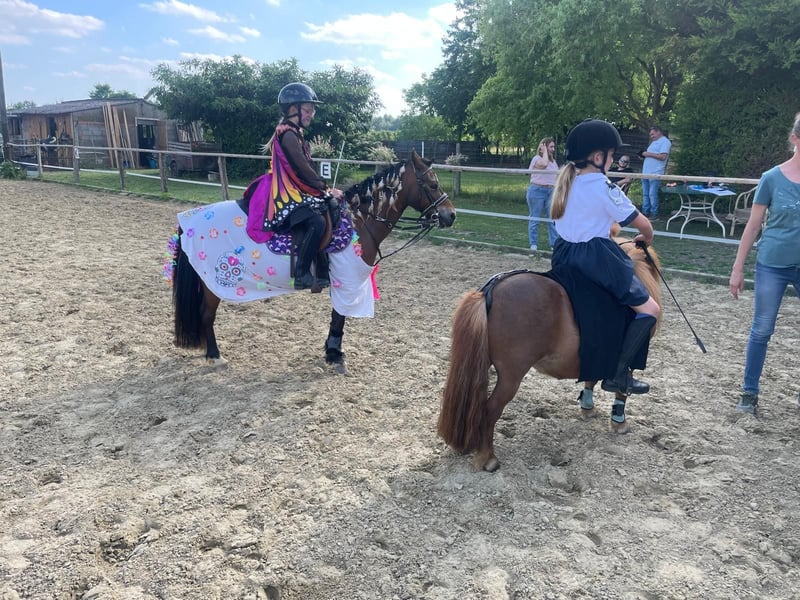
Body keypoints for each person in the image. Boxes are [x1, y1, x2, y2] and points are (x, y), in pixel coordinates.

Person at [550, 119, 661, 396]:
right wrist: (646, 238)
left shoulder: (566, 183)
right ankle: (618, 374)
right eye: (612, 155)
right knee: (650, 310)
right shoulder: (604, 187)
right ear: (598, 158)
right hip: (597, 259)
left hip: (563, 255)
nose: (613, 160)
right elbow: (643, 224)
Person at [729, 112, 800, 415]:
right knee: (762, 329)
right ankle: (749, 392)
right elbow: (753, 225)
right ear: (795, 139)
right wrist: (737, 268)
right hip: (773, 263)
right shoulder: (771, 178)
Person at [257, 82, 344, 291]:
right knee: (316, 221)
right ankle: (302, 273)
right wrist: (325, 189)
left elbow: (306, 167)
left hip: (296, 189)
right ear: (293, 109)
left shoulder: (295, 133)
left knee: (327, 208)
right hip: (286, 193)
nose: (311, 115)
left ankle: (322, 270)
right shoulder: (288, 135)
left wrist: (323, 191)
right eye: (307, 110)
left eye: (312, 110)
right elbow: (302, 169)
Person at [525, 137, 559, 251]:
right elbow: (544, 164)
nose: (553, 149)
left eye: (553, 147)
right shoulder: (537, 159)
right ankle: (533, 244)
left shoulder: (553, 162)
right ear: (543, 147)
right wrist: (544, 152)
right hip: (537, 190)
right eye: (551, 147)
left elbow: (557, 175)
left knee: (552, 218)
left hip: (551, 191)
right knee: (535, 218)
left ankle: (554, 244)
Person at [640, 125, 672, 220]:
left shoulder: (665, 142)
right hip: (645, 172)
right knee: (645, 194)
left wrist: (648, 154)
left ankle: (654, 213)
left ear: (659, 132)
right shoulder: (653, 142)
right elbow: (651, 156)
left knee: (652, 194)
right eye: (650, 134)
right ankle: (645, 212)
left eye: (653, 134)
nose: (651, 136)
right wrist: (644, 156)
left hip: (655, 172)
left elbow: (663, 157)